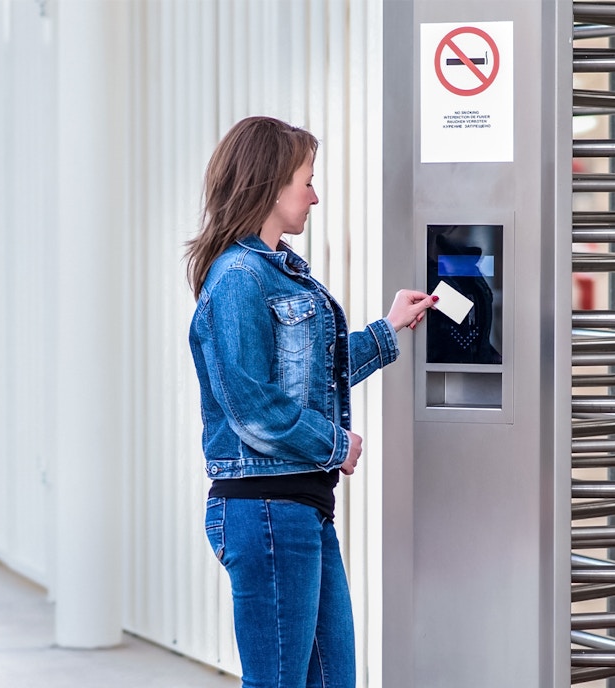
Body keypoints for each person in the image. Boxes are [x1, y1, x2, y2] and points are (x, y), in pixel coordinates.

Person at [186, 115, 436, 688]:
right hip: (266, 509)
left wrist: (388, 330)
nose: (315, 196)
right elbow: (253, 405)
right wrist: (334, 443)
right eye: (307, 181)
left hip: (298, 507)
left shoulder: (274, 273)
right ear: (269, 185)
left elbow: (310, 375)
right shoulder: (239, 279)